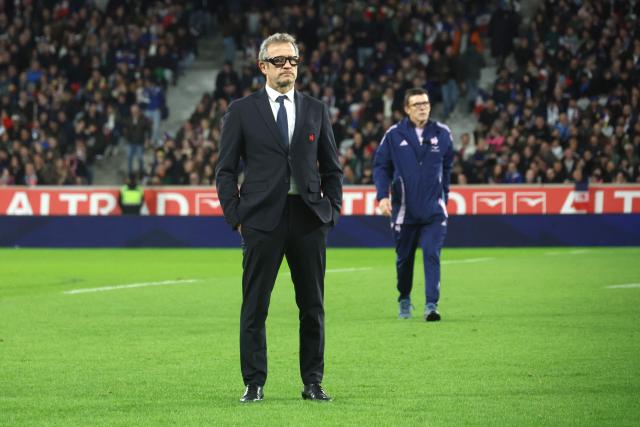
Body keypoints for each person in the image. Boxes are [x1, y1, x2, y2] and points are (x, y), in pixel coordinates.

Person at [215, 33, 343, 403]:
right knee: (255, 306)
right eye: (280, 60)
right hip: (260, 220)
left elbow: (332, 169)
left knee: (313, 307)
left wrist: (329, 213)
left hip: (308, 220)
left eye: (293, 60)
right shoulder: (241, 110)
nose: (288, 66)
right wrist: (236, 216)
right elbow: (225, 170)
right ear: (263, 67)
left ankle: (313, 382)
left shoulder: (316, 109)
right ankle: (254, 384)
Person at [373, 88, 454, 321]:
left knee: (432, 254)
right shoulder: (393, 135)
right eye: (417, 104)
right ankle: (404, 298)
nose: (422, 108)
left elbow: (447, 169)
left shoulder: (443, 133)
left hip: (434, 212)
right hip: (404, 212)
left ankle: (431, 305)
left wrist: (444, 197)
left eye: (426, 103)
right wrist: (383, 196)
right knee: (404, 259)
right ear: (407, 109)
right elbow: (381, 167)